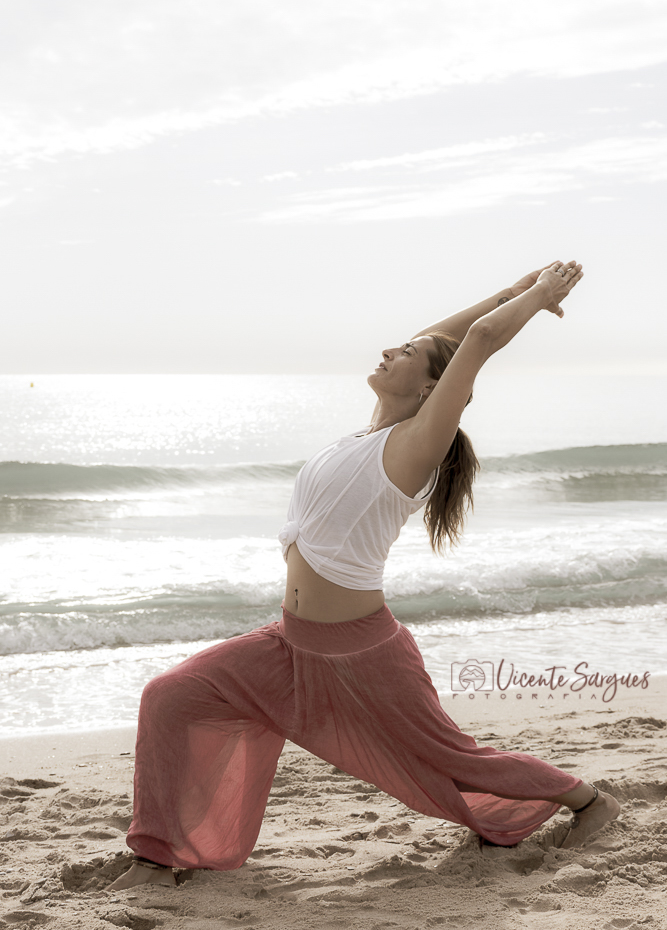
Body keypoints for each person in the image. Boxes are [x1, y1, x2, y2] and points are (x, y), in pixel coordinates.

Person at [110, 259, 620, 891]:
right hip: (289, 644)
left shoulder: (414, 445)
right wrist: (513, 291)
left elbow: (476, 345)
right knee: (172, 695)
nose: (390, 348)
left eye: (405, 352)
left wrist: (540, 296)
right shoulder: (365, 434)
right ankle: (157, 857)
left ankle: (589, 801)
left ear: (433, 390)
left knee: (448, 759)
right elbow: (445, 340)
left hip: (362, 655)